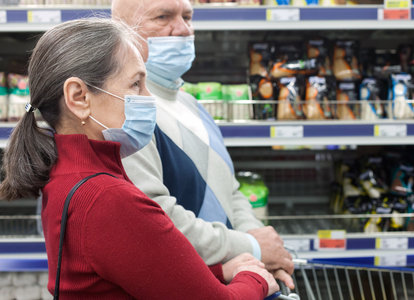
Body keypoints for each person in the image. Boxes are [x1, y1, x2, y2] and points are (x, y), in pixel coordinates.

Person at [0, 18, 279, 299]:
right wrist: (255, 278)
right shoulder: (108, 198)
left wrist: (221, 271)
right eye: (136, 84)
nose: (149, 98)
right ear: (79, 97)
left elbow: (142, 269)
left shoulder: (68, 173)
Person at [112, 0, 295, 288]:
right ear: (121, 30)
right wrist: (252, 246)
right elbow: (157, 218)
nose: (183, 30)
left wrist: (260, 250)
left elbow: (230, 190)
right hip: (182, 285)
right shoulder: (127, 113)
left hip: (234, 280)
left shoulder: (191, 104)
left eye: (187, 17)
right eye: (163, 17)